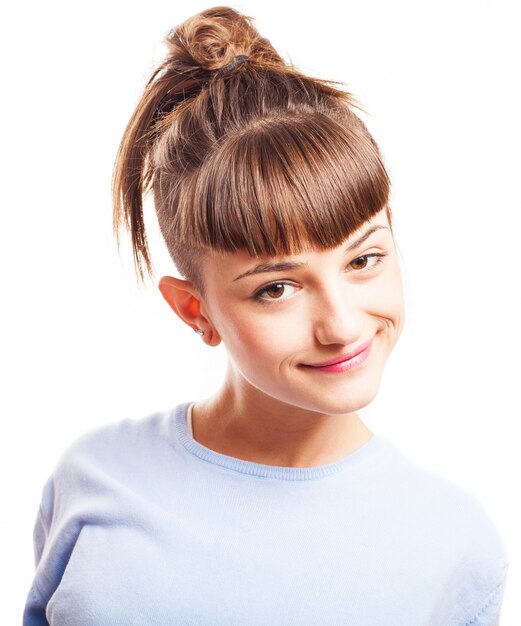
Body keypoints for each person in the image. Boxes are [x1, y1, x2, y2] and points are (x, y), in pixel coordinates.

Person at [23, 6, 508, 625]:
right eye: (277, 288)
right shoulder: (94, 481)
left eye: (364, 260)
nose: (342, 325)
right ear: (194, 311)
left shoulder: (453, 544)